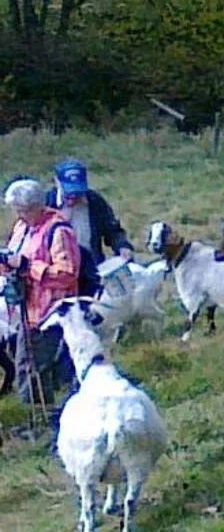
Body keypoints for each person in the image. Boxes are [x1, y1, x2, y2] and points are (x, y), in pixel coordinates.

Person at [3, 176, 82, 405]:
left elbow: (67, 274)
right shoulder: (22, 227)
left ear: (36, 207)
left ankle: (39, 424)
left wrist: (28, 267)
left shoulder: (58, 231)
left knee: (32, 369)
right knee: (26, 368)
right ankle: (38, 420)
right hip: (25, 310)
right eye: (16, 210)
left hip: (49, 312)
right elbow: (14, 258)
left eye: (23, 210)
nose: (18, 215)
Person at [46, 158, 130, 297]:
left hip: (91, 269)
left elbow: (112, 229)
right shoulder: (46, 204)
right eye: (69, 193)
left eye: (77, 193)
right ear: (57, 182)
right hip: (58, 274)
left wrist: (122, 246)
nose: (73, 197)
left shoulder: (94, 201)